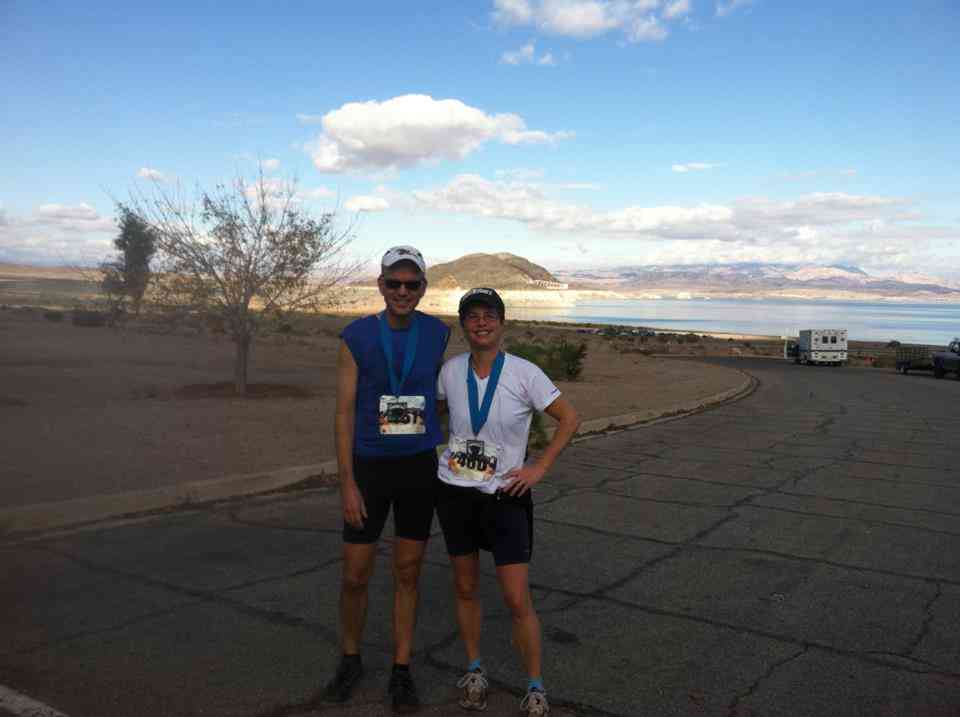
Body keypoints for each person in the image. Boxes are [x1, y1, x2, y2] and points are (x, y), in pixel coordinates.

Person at [436, 288, 580, 716]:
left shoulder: (524, 373)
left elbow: (570, 419)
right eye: (473, 317)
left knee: (517, 600)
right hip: (456, 492)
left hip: (506, 496)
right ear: (463, 325)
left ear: (502, 323)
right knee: (465, 588)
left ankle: (535, 686)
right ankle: (476, 670)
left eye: (489, 316)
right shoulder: (449, 371)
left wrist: (539, 468)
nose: (481, 323)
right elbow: (438, 413)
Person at [323, 246, 450, 714]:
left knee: (407, 571)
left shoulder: (438, 333)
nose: (402, 291)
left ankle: (401, 669)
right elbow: (342, 413)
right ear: (380, 284)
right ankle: (351, 658)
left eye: (411, 284)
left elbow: (439, 393)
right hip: (369, 469)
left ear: (422, 289)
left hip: (418, 466)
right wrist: (347, 483)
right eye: (393, 283)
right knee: (355, 574)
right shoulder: (356, 336)